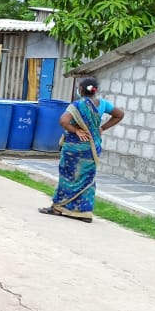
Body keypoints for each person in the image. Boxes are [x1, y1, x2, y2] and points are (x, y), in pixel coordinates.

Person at [39, 77, 125, 223]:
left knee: (68, 177)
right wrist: (102, 128)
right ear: (95, 90)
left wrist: (76, 130)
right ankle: (84, 213)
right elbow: (120, 115)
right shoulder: (103, 104)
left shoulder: (77, 105)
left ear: (80, 89)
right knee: (87, 179)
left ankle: (58, 207)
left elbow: (63, 121)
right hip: (92, 148)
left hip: (74, 148)